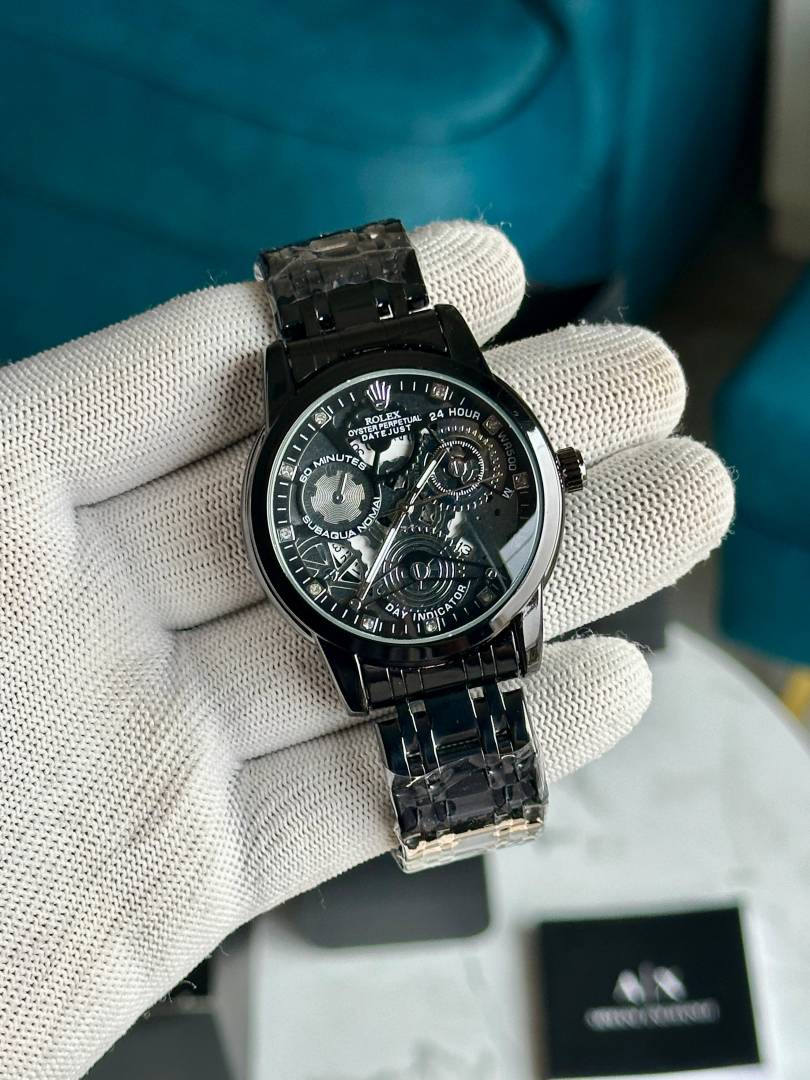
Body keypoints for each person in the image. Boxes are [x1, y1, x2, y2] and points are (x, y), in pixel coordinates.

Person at [0, 220, 734, 1078]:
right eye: (348, 493)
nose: (398, 499)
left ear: (550, 471)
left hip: (460, 600)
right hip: (378, 610)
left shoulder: (484, 461)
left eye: (448, 471)